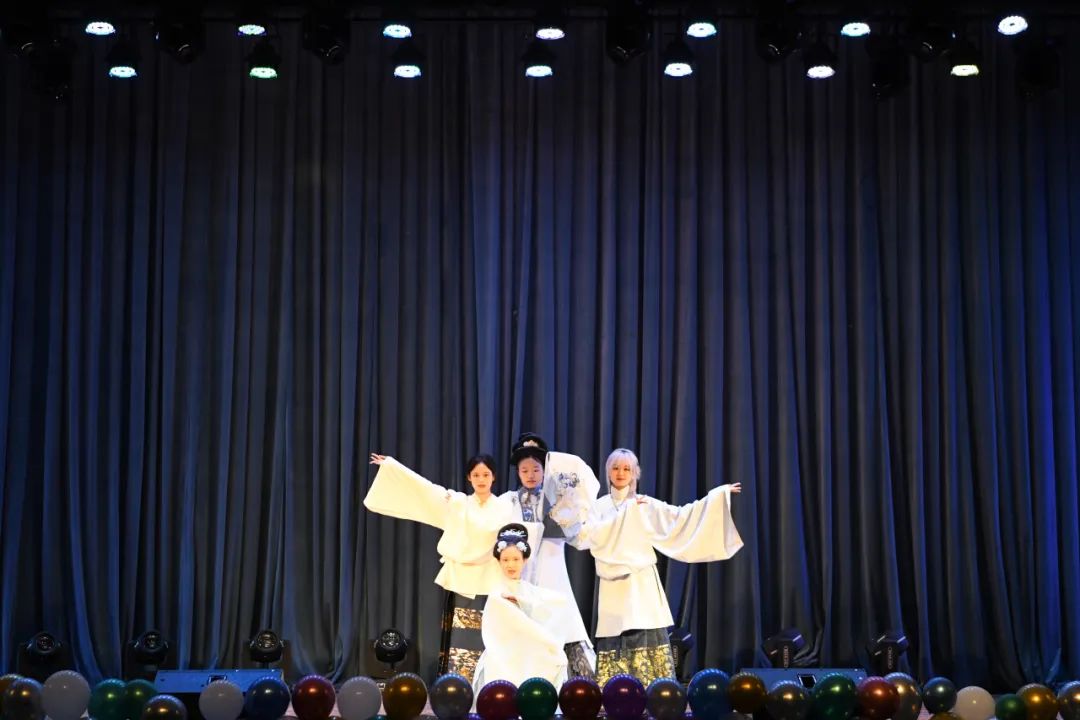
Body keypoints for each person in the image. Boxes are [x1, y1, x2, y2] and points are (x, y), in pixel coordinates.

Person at [567, 448, 744, 686]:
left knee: (645, 627)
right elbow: (587, 537)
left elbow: (680, 517)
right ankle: (615, 689)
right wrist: (624, 514)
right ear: (608, 472)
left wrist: (716, 496)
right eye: (616, 468)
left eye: (627, 469)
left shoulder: (643, 504)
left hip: (641, 580)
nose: (621, 473)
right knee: (615, 632)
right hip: (613, 584)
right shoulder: (598, 507)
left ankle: (654, 688)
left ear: (634, 474)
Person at [364, 453, 541, 681]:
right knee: (462, 636)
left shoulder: (505, 507)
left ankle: (493, 682)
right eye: (476, 475)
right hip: (463, 578)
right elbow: (425, 489)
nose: (481, 479)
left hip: (492, 578)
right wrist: (392, 466)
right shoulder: (458, 503)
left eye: (486, 474)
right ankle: (461, 683)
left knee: (492, 634)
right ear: (469, 477)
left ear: (494, 477)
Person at [504, 433, 597, 677]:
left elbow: (573, 529)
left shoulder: (558, 500)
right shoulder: (510, 501)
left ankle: (571, 679)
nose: (531, 475)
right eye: (525, 470)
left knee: (560, 615)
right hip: (523, 571)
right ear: (518, 473)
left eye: (536, 469)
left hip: (552, 565)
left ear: (545, 471)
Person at [472, 523, 572, 696]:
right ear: (498, 561)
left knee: (549, 657)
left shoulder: (528, 590)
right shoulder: (496, 593)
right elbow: (502, 624)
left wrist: (522, 601)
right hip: (505, 649)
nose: (510, 564)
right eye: (505, 560)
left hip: (528, 647)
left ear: (524, 560)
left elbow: (556, 603)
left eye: (516, 559)